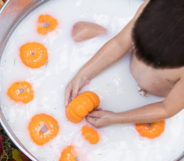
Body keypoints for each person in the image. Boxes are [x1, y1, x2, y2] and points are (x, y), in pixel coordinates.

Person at [65, 0, 184, 128]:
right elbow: (120, 44)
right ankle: (102, 32)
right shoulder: (155, 8)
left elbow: (166, 108)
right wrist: (83, 74)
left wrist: (115, 118)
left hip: (154, 98)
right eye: (139, 47)